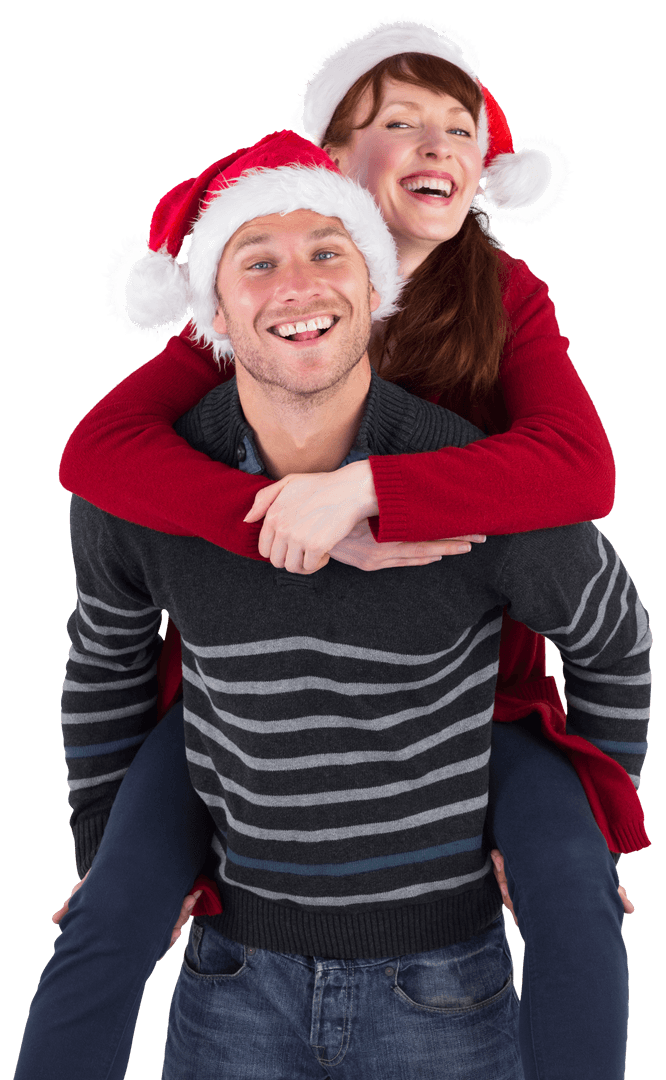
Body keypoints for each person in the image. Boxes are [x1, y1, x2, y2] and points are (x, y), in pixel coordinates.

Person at [16, 17, 649, 1080]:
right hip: (252, 694)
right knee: (113, 904)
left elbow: (581, 479)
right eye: (401, 121)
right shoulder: (255, 290)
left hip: (470, 687)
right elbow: (98, 454)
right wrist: (273, 518)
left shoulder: (503, 296)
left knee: (575, 895)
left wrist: (369, 493)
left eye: (463, 127)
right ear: (332, 153)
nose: (440, 143)